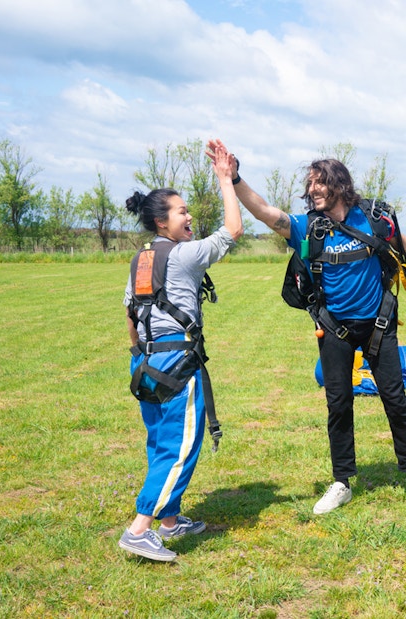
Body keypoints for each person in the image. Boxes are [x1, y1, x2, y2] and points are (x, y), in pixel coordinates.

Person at [206, 138, 406, 515]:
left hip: (379, 324)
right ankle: (342, 482)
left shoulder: (375, 217)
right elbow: (266, 213)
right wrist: (234, 179)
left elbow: (400, 248)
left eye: (319, 183)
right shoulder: (307, 227)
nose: (311, 190)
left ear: (340, 185)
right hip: (334, 329)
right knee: (338, 404)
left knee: (396, 398)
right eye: (309, 184)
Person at [118, 146, 243, 561]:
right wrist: (226, 179)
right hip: (176, 363)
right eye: (182, 212)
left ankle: (170, 521)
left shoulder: (141, 257)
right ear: (162, 221)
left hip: (146, 363)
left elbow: (131, 315)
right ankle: (140, 529)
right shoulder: (185, 255)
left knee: (159, 443)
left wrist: (142, 355)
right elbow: (233, 230)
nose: (189, 218)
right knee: (181, 446)